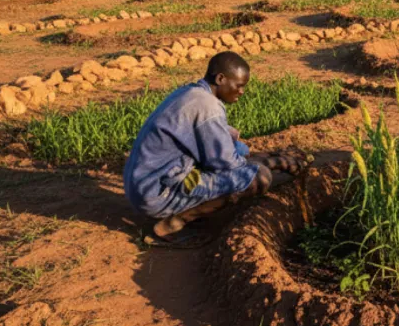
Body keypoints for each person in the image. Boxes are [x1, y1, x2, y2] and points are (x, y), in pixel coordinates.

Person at [124, 52, 303, 246]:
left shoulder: (192, 93)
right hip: (158, 193)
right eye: (239, 85)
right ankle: (172, 224)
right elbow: (227, 164)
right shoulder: (207, 107)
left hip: (144, 185)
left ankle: (186, 209)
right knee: (258, 178)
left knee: (243, 157)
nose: (242, 92)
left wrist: (261, 158)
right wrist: (272, 163)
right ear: (220, 78)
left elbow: (229, 147)